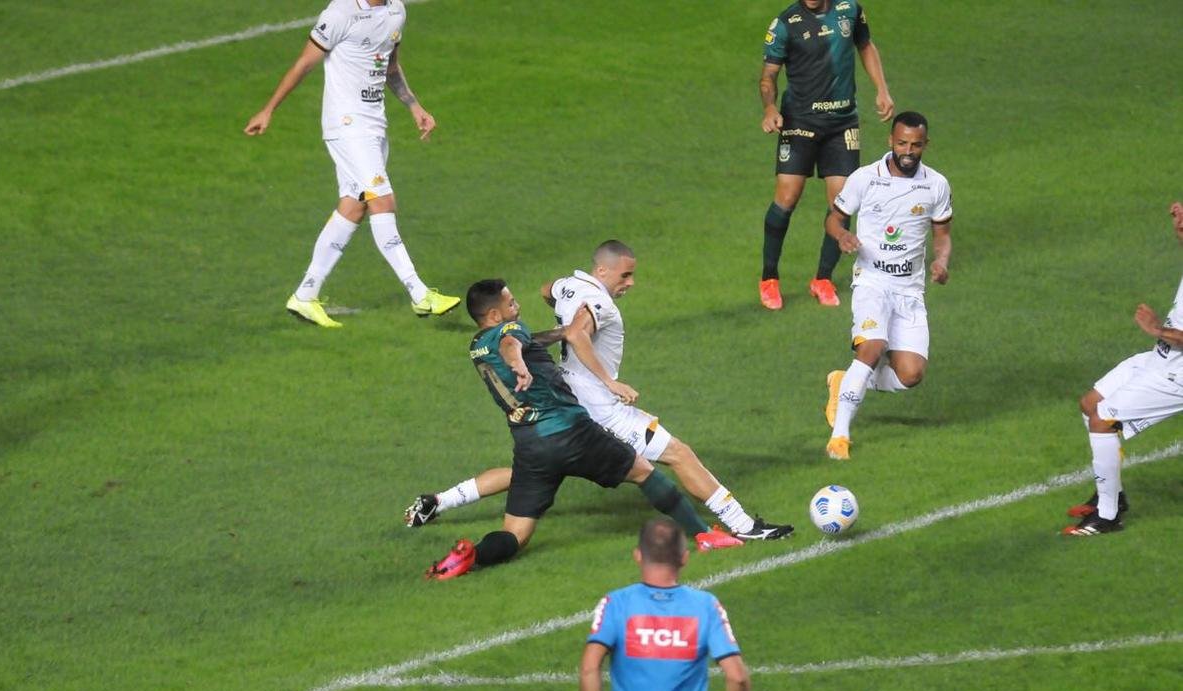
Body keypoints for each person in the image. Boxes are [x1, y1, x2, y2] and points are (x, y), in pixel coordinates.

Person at [407, 241, 794, 548]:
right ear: (603, 271)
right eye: (625, 275)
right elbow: (577, 333)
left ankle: (439, 501)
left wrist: (555, 318)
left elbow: (548, 290)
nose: (630, 283)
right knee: (676, 454)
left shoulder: (568, 285)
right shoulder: (601, 303)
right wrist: (610, 381)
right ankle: (742, 526)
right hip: (599, 410)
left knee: (526, 473)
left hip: (556, 409)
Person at [424, 281, 726, 580]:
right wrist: (519, 365)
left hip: (530, 446)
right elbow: (512, 345)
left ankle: (471, 555)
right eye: (511, 303)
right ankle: (704, 535)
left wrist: (562, 333)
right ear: (493, 315)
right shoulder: (509, 333)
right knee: (644, 471)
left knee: (515, 535)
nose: (518, 306)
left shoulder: (477, 345)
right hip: (570, 431)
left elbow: (521, 342)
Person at [244, 0, 459, 327]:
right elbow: (304, 63)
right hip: (346, 124)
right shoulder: (340, 13)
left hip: (374, 124)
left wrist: (414, 107)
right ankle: (419, 294)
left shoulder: (396, 10)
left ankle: (305, 295)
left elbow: (389, 66)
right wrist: (269, 109)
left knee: (354, 205)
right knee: (381, 199)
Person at [580, 518, 757, 691]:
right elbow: (737, 676)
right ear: (685, 558)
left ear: (638, 555)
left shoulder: (616, 604)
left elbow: (590, 668)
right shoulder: (706, 607)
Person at [821, 111, 953, 460]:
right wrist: (843, 235)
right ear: (890, 141)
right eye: (902, 143)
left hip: (909, 289)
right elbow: (833, 220)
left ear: (926, 144)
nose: (908, 150)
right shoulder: (866, 178)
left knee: (911, 375)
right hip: (872, 281)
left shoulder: (936, 185)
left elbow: (943, 235)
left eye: (915, 144)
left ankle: (844, 380)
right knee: (872, 346)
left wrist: (941, 261)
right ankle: (840, 436)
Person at [758, 0, 894, 310]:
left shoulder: (850, 10)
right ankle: (769, 278)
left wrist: (882, 89)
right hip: (799, 122)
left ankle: (822, 278)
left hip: (842, 123)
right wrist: (769, 108)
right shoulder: (785, 23)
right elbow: (768, 76)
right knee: (787, 198)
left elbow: (866, 45)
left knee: (842, 204)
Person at [1063, 201, 1183, 536]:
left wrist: (1158, 329)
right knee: (1090, 403)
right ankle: (1112, 495)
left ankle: (1108, 516)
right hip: (1161, 359)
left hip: (1178, 375)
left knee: (1103, 419)